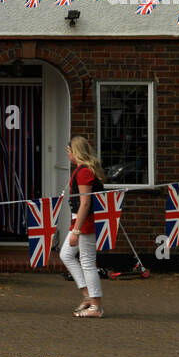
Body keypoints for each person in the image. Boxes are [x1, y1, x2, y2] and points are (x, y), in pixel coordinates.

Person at [63, 136, 107, 318]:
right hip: (80, 220)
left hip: (85, 222)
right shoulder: (84, 170)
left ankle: (96, 306)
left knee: (87, 262)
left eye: (68, 152)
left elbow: (85, 203)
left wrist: (76, 230)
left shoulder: (83, 172)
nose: (68, 155)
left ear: (75, 152)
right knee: (66, 254)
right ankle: (87, 295)